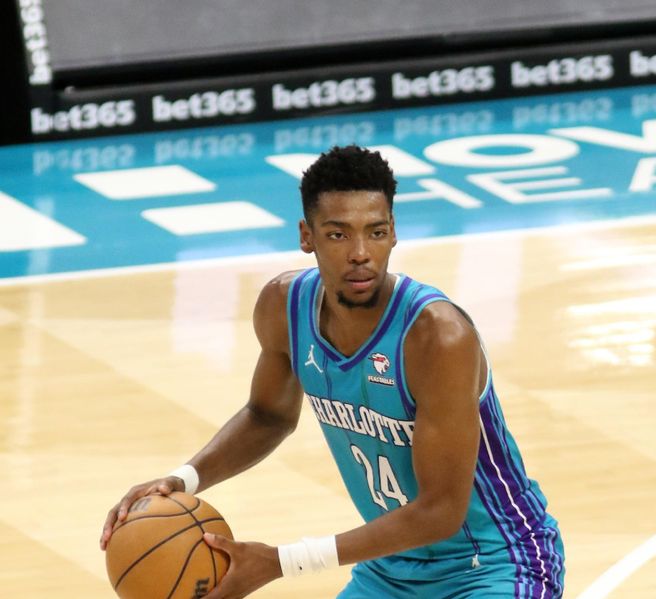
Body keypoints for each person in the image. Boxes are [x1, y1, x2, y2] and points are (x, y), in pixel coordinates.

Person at [100, 145, 565, 598]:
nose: (361, 253)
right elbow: (268, 417)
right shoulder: (284, 306)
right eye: (339, 234)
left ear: (394, 232)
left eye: (376, 232)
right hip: (392, 571)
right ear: (308, 236)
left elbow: (441, 512)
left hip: (495, 565)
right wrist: (184, 478)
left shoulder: (437, 337)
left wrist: (281, 562)